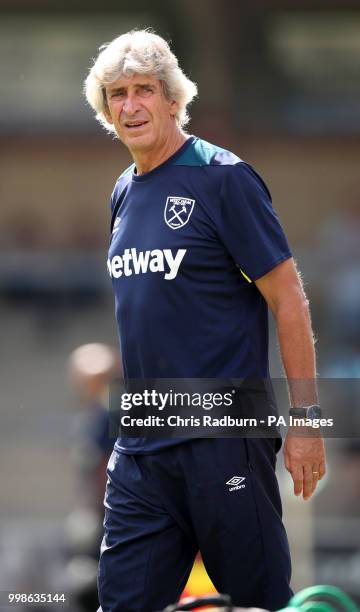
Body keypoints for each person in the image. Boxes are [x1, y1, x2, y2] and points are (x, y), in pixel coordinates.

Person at [84, 30, 326, 612]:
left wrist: (307, 419)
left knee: (257, 603)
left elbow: (288, 297)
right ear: (106, 109)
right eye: (117, 94)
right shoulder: (123, 192)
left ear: (173, 99)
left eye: (144, 90)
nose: (131, 106)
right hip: (141, 451)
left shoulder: (223, 178)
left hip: (222, 441)